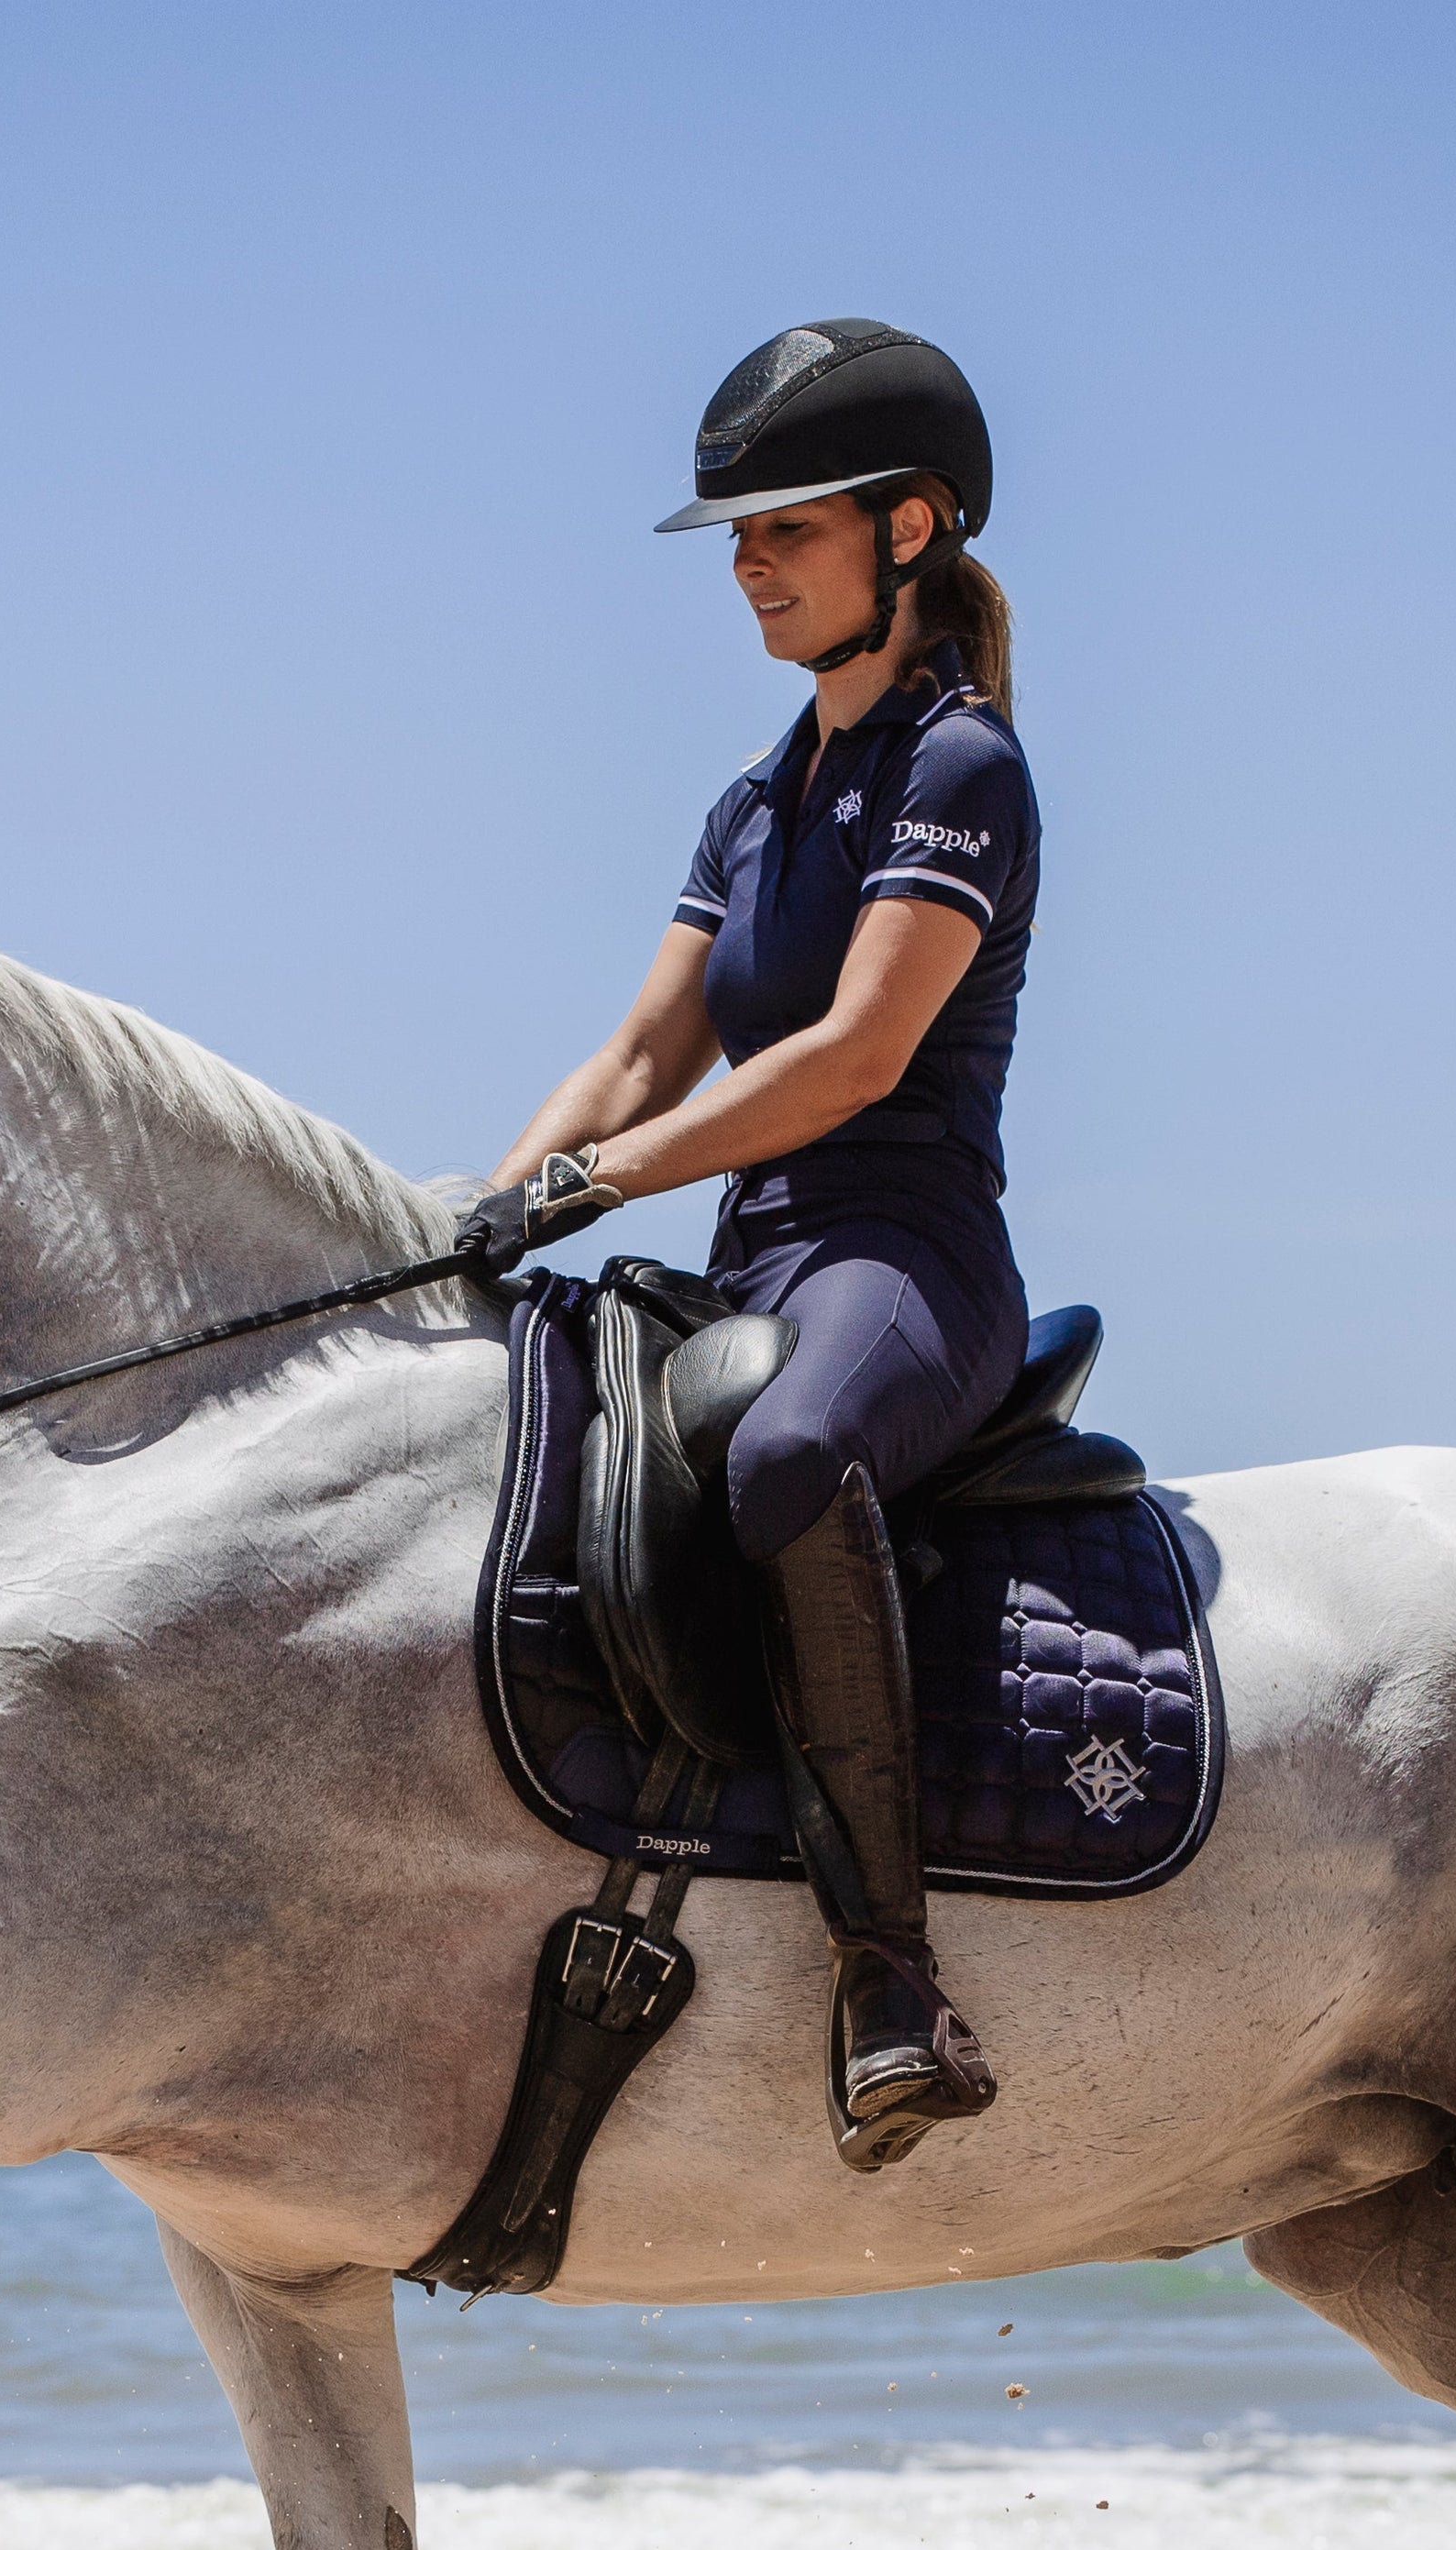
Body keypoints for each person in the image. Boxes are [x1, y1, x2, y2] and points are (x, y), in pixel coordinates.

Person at [458, 319, 1037, 2175]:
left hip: (904, 1259)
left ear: (908, 529)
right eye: (738, 537)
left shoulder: (962, 768)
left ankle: (891, 1981)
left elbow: (854, 1054)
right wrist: (474, 1224)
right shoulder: (754, 801)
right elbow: (642, 1054)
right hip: (753, 1259)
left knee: (788, 1456)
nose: (750, 566)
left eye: (788, 528)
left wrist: (607, 1180)